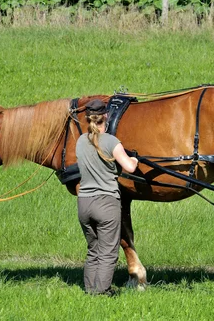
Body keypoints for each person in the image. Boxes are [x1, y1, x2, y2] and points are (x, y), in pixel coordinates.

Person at [75, 98, 139, 296]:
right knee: (108, 252)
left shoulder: (80, 141)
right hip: (106, 203)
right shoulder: (111, 141)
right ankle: (101, 292)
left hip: (84, 203)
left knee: (93, 249)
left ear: (87, 119)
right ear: (106, 116)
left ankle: (90, 289)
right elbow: (129, 167)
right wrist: (135, 158)